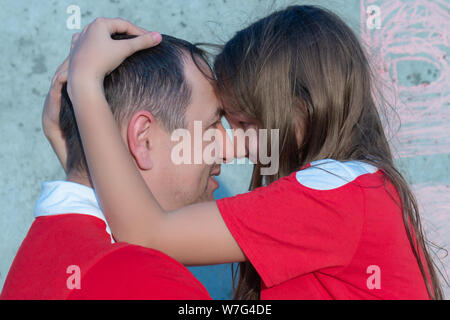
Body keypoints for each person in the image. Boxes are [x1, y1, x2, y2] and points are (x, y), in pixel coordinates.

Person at [50, 6, 443, 300]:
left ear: (301, 106)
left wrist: (87, 87)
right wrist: (71, 150)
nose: (232, 145)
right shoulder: (356, 190)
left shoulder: (333, 194)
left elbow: (148, 235)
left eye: (244, 125)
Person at [0, 33, 233, 299]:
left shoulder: (39, 259)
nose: (228, 151)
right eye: (211, 127)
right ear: (143, 140)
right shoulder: (148, 282)